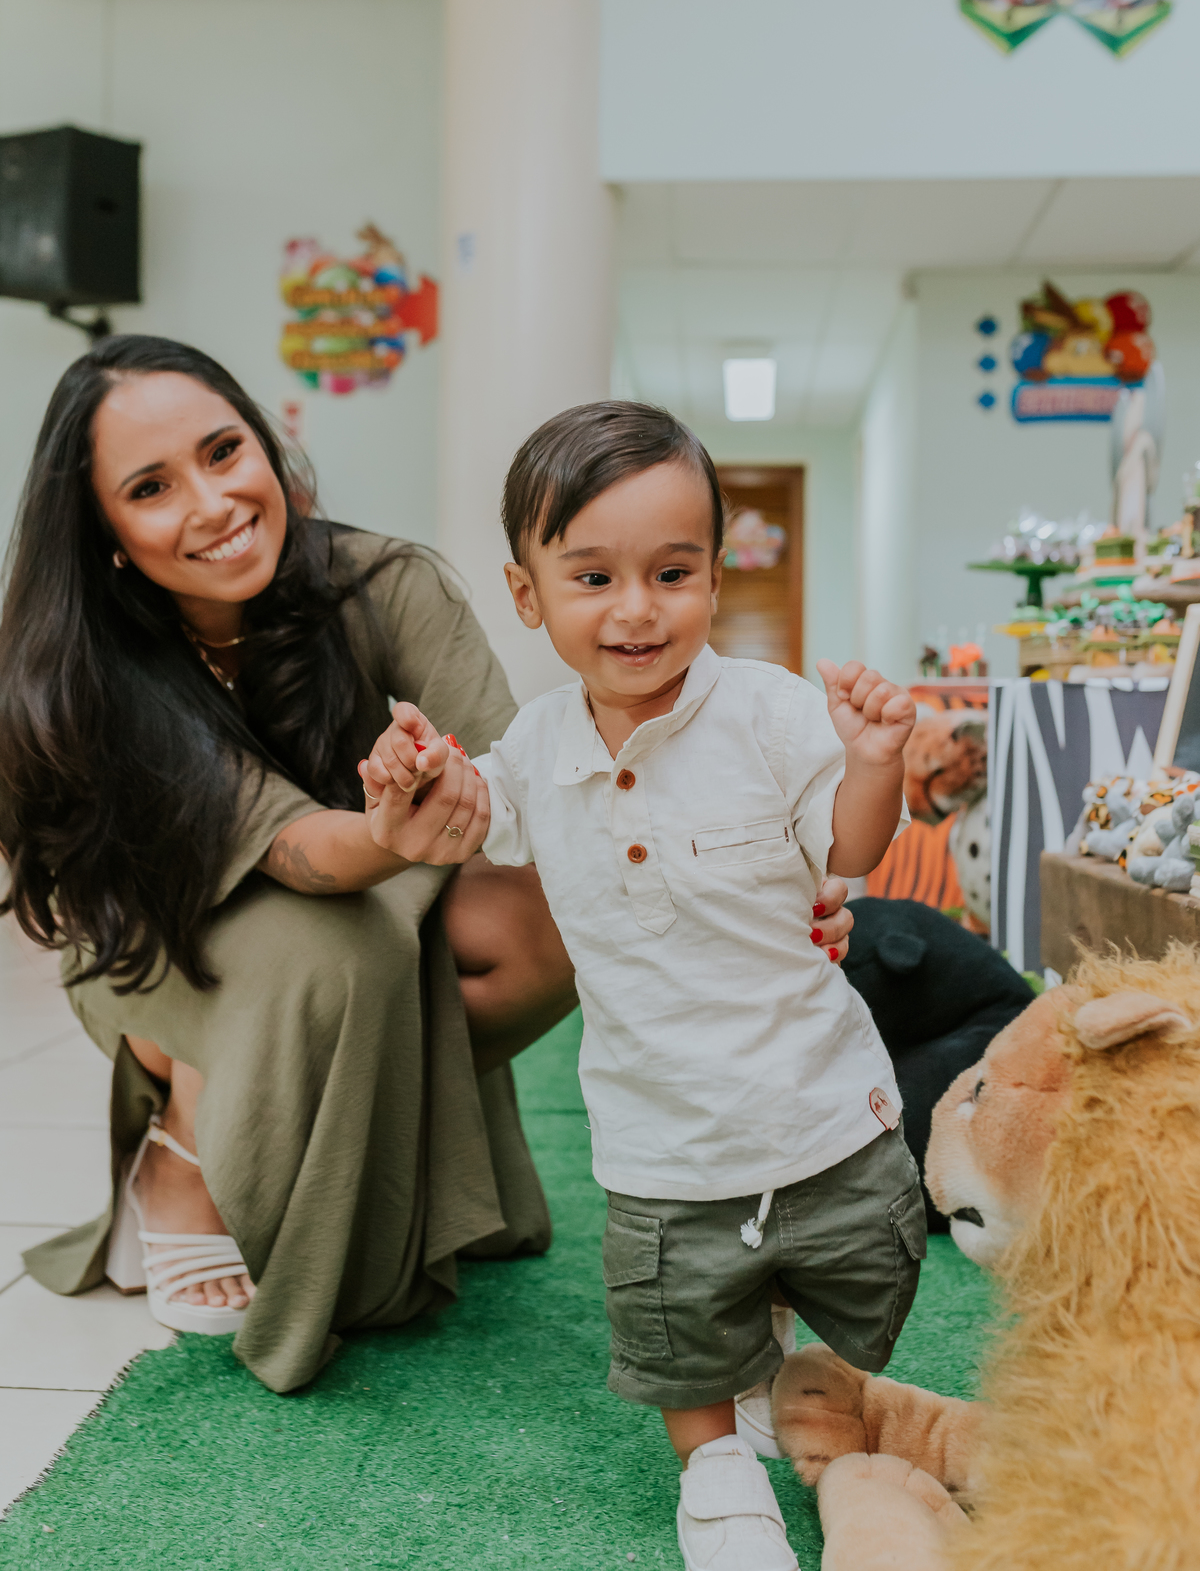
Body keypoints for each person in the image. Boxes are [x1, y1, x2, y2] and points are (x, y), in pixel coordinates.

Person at [0, 340, 857, 1398]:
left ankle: (363, 1127)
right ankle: (183, 1142)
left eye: (225, 451)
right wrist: (394, 830)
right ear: (108, 535)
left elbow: (558, 795)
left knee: (557, 917)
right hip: (170, 922)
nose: (214, 501)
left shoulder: (383, 581)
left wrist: (772, 897)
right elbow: (305, 857)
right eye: (152, 487)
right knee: (339, 945)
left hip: (370, 897)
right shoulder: (103, 664)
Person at [362, 402, 924, 1571]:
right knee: (677, 1316)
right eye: (593, 576)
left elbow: (851, 852)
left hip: (817, 1097)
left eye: (673, 572)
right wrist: (419, 787)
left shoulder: (771, 715)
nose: (636, 609)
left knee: (872, 1261)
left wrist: (875, 764)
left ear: (716, 576)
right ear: (529, 596)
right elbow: (467, 820)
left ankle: (774, 1351)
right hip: (658, 1126)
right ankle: (712, 1469)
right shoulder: (534, 743)